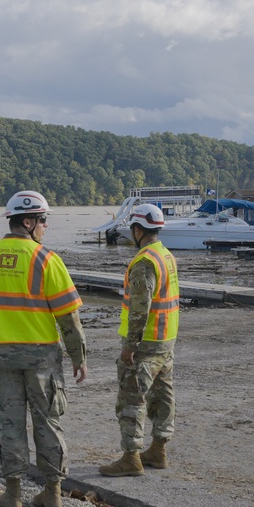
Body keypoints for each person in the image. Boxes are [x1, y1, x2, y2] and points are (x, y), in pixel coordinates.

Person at [0, 190, 87, 507]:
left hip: (0, 358)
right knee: (48, 422)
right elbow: (68, 318)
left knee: (10, 424)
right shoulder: (46, 259)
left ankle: (13, 495)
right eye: (43, 221)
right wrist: (78, 357)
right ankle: (52, 492)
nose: (45, 227)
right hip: (41, 358)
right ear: (28, 222)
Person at [99, 203, 180, 477]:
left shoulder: (144, 262)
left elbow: (139, 308)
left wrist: (130, 346)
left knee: (132, 398)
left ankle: (131, 457)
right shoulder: (166, 255)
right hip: (166, 340)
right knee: (162, 396)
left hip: (145, 343)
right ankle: (158, 451)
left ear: (137, 230)